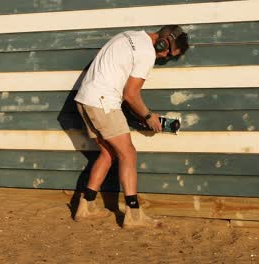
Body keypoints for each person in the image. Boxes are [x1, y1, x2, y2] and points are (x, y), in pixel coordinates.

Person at [73, 25, 189, 228]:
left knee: (108, 153)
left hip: (85, 99)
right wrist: (148, 115)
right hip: (103, 101)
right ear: (163, 42)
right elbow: (131, 94)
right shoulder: (146, 53)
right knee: (129, 154)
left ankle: (86, 206)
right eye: (168, 53)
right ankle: (133, 214)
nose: (165, 57)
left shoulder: (130, 35)